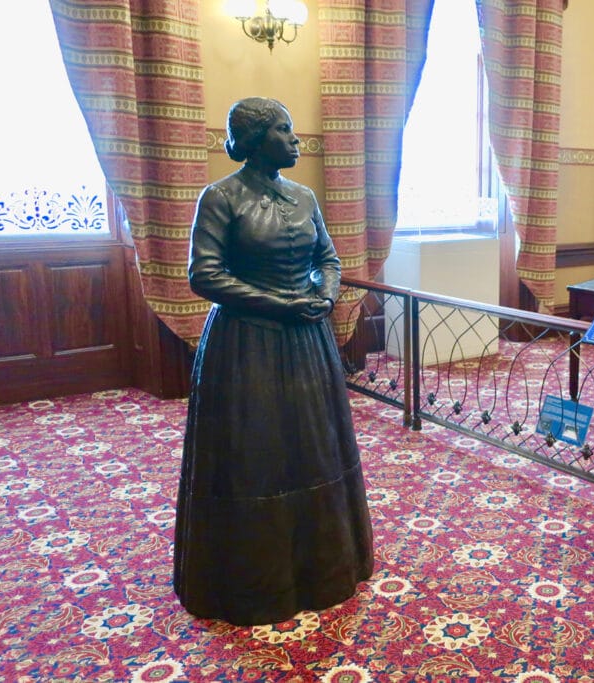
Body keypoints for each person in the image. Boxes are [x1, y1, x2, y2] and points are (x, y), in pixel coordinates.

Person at [173, 97, 374, 626]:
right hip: (246, 344)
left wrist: (326, 296)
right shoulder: (221, 197)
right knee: (254, 451)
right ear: (256, 138)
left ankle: (326, 567)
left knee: (313, 445)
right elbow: (205, 275)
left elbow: (327, 258)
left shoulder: (305, 196)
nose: (295, 138)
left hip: (308, 342)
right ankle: (253, 583)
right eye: (284, 130)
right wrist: (283, 303)